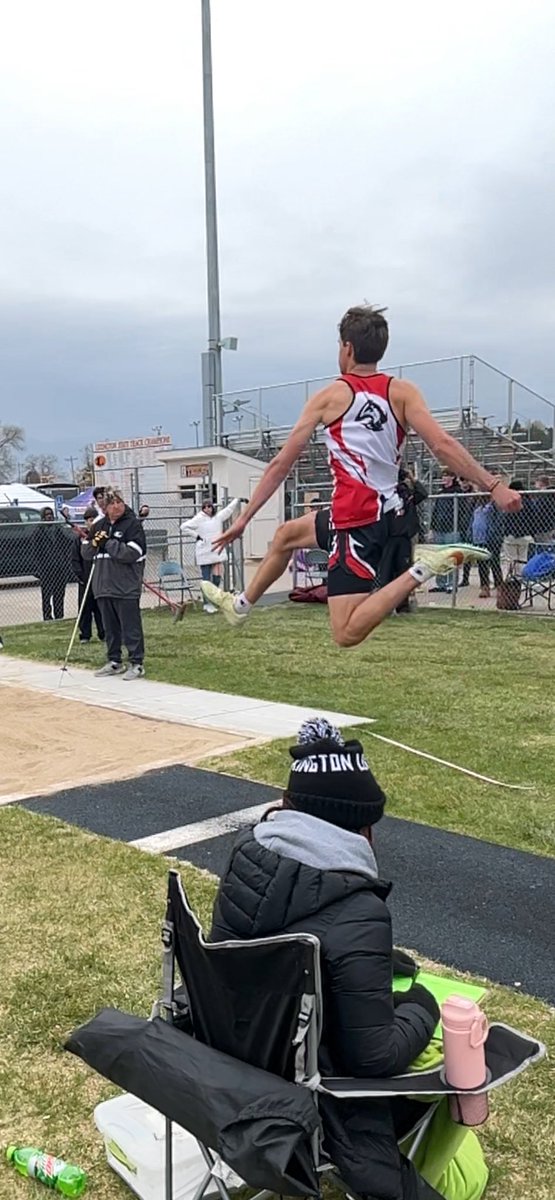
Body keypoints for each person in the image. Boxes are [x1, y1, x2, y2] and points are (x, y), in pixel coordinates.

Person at [210, 718, 483, 1200]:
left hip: (229, 1058)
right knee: (435, 1043)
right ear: (363, 830)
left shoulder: (245, 855)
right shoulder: (359, 911)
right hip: (306, 1093)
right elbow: (372, 1057)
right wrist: (422, 1004)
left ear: (290, 806)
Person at [201, 305, 520, 646]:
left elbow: (281, 465)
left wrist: (244, 519)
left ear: (347, 348)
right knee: (286, 536)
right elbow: (441, 444)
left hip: (354, 521)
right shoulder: (403, 392)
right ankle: (240, 605)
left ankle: (422, 569)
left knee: (346, 632)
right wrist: (494, 485)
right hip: (388, 512)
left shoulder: (328, 397)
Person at [81, 489, 146, 680]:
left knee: (130, 627)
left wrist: (108, 543)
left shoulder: (132, 525)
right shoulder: (98, 525)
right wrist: (94, 543)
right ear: (105, 507)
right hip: (103, 586)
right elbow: (86, 553)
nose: (116, 506)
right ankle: (114, 661)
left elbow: (132, 553)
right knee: (110, 628)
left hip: (126, 586)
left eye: (119, 502)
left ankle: (136, 663)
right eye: (112, 503)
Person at [379, 466, 428, 613]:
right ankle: (384, 605)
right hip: (388, 538)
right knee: (386, 573)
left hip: (404, 538)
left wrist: (412, 479)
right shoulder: (384, 494)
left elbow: (422, 494)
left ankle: (403, 605)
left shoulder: (407, 494)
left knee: (403, 572)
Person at [180, 497, 240, 613]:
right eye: (205, 507)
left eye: (209, 506)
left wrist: (237, 500)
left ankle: (214, 600)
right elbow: (184, 527)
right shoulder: (198, 518)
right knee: (206, 579)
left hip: (216, 550)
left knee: (217, 577)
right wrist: (197, 536)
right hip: (204, 552)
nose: (207, 509)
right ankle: (207, 603)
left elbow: (228, 510)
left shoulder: (217, 517)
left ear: (212, 507)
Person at [71, 506, 105, 643]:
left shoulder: (101, 536)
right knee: (85, 607)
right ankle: (85, 634)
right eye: (88, 520)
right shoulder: (80, 539)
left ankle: (104, 633)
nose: (91, 523)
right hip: (85, 579)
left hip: (99, 578)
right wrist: (80, 575)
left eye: (93, 520)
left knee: (100, 608)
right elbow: (75, 559)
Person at [34, 506, 72, 621]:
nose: (49, 516)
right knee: (46, 595)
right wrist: (40, 569)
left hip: (60, 567)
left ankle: (59, 616)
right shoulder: (38, 532)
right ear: (42, 517)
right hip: (46, 569)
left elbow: (67, 545)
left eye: (50, 514)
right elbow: (36, 552)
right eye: (46, 515)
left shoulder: (58, 529)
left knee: (59, 594)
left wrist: (65, 563)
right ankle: (47, 616)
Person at [471, 497, 504, 597]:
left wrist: (494, 534)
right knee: (482, 565)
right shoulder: (477, 505)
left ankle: (499, 587)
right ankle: (484, 587)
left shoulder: (494, 505)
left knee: (494, 563)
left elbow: (499, 522)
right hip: (479, 540)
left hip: (492, 540)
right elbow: (472, 520)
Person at [502, 480, 534, 577]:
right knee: (523, 559)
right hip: (525, 534)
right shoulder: (528, 502)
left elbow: (505, 518)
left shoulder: (509, 501)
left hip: (511, 535)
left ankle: (512, 578)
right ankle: (521, 577)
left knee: (511, 559)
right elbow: (533, 518)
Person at [532, 475, 555, 544]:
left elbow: (538, 509)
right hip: (550, 523)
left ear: (540, 483)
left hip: (542, 524)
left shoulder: (544, 495)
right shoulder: (550, 494)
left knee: (544, 544)